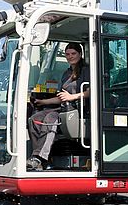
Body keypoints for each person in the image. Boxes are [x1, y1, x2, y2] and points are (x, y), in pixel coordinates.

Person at [27, 42, 89, 170]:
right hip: (63, 107)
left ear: (80, 54)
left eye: (73, 53)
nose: (70, 56)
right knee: (35, 119)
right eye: (67, 54)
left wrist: (73, 97)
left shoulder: (86, 70)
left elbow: (92, 91)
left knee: (50, 118)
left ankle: (39, 158)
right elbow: (61, 97)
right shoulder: (66, 73)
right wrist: (43, 102)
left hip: (77, 109)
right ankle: (41, 157)